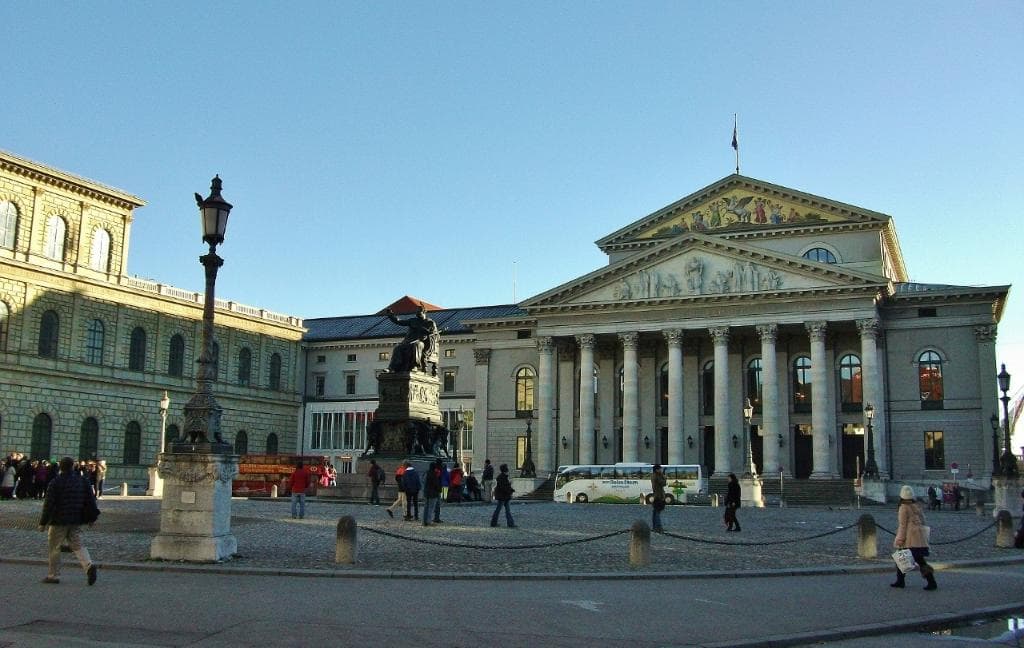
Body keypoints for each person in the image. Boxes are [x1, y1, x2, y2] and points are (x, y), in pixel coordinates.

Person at [39, 457, 98, 585]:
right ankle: (88, 565)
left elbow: (48, 504)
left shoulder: (55, 482)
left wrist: (43, 522)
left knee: (54, 547)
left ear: (61, 467)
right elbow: (90, 501)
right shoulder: (83, 481)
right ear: (73, 467)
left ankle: (53, 575)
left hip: (58, 520)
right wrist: (92, 518)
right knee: (77, 545)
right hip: (76, 519)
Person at [892, 484, 937, 590]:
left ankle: (931, 582)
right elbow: (923, 521)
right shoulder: (916, 505)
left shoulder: (903, 507)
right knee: (907, 558)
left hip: (910, 537)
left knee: (908, 558)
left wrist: (899, 539)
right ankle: (900, 580)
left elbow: (903, 525)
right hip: (919, 536)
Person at [385, 306, 439, 374]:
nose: (417, 314)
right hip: (409, 341)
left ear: (424, 312)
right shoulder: (412, 320)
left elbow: (436, 335)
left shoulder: (430, 322)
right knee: (398, 347)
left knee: (417, 345)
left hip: (423, 343)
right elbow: (399, 321)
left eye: (419, 312)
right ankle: (392, 367)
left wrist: (428, 334)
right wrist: (391, 316)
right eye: (416, 312)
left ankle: (415, 366)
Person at [490, 464, 516, 528]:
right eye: (507, 470)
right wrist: (511, 491)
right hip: (502, 496)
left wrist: (511, 489)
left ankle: (510, 523)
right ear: (505, 471)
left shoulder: (502, 477)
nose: (508, 472)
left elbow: (506, 486)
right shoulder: (502, 477)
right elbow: (504, 487)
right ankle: (494, 523)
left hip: (504, 496)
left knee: (505, 510)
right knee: (500, 510)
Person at [423, 459, 442, 526]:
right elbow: (436, 484)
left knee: (426, 507)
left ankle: (424, 521)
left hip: (426, 492)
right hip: (433, 493)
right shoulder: (434, 474)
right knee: (431, 508)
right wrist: (439, 489)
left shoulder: (427, 473)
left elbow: (424, 482)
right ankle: (429, 521)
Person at [651, 464, 667, 533]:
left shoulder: (653, 475)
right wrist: (664, 477)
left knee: (655, 512)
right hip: (659, 496)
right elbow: (663, 483)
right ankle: (658, 527)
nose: (661, 470)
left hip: (656, 495)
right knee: (657, 512)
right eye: (660, 469)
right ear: (657, 470)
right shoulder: (657, 476)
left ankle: (655, 527)